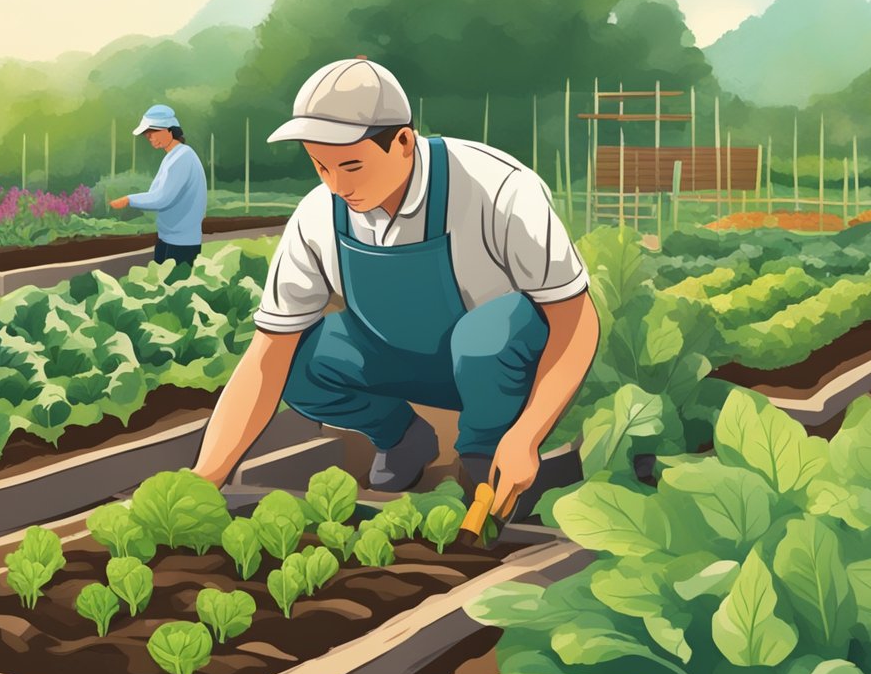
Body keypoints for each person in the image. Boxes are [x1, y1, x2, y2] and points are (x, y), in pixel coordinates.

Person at [190, 58, 599, 517]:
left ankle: (490, 462)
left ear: (403, 142)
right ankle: (403, 438)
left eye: (351, 165)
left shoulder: (499, 188)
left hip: (499, 368)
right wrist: (206, 478)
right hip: (400, 356)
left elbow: (575, 319)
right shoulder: (317, 214)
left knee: (484, 336)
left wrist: (527, 435)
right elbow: (267, 355)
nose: (337, 184)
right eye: (320, 166)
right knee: (299, 363)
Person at [109, 104, 207, 265]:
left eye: (153, 132)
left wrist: (128, 200)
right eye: (147, 134)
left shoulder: (182, 158)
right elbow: (155, 192)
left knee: (174, 287)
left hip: (181, 243)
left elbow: (161, 198)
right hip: (169, 238)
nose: (149, 137)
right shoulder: (172, 157)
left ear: (170, 129)